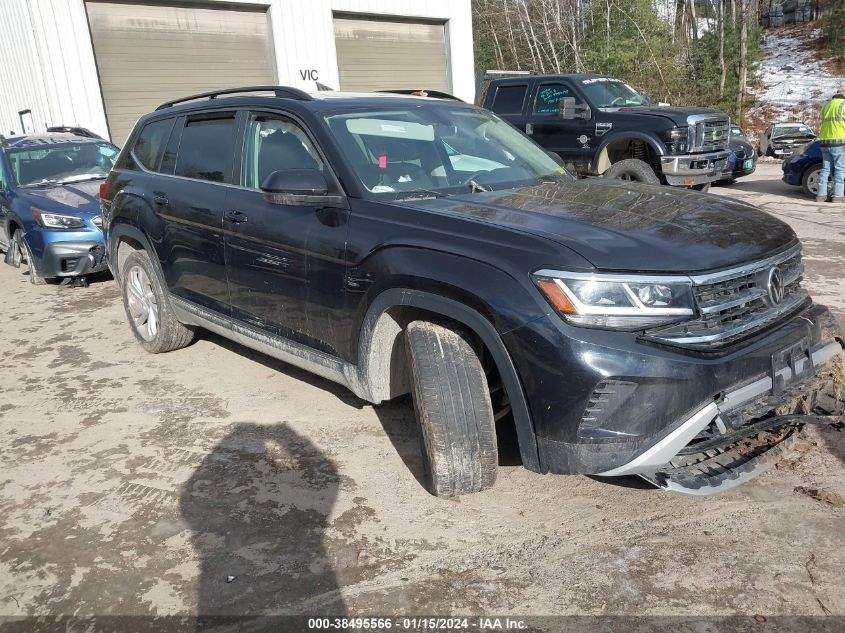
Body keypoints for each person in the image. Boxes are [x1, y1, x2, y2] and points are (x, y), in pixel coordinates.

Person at [817, 87, 845, 203]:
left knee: (825, 168)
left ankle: (821, 195)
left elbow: (823, 120)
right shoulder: (843, 104)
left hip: (824, 141)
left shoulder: (826, 105)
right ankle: (838, 196)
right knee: (839, 169)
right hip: (839, 140)